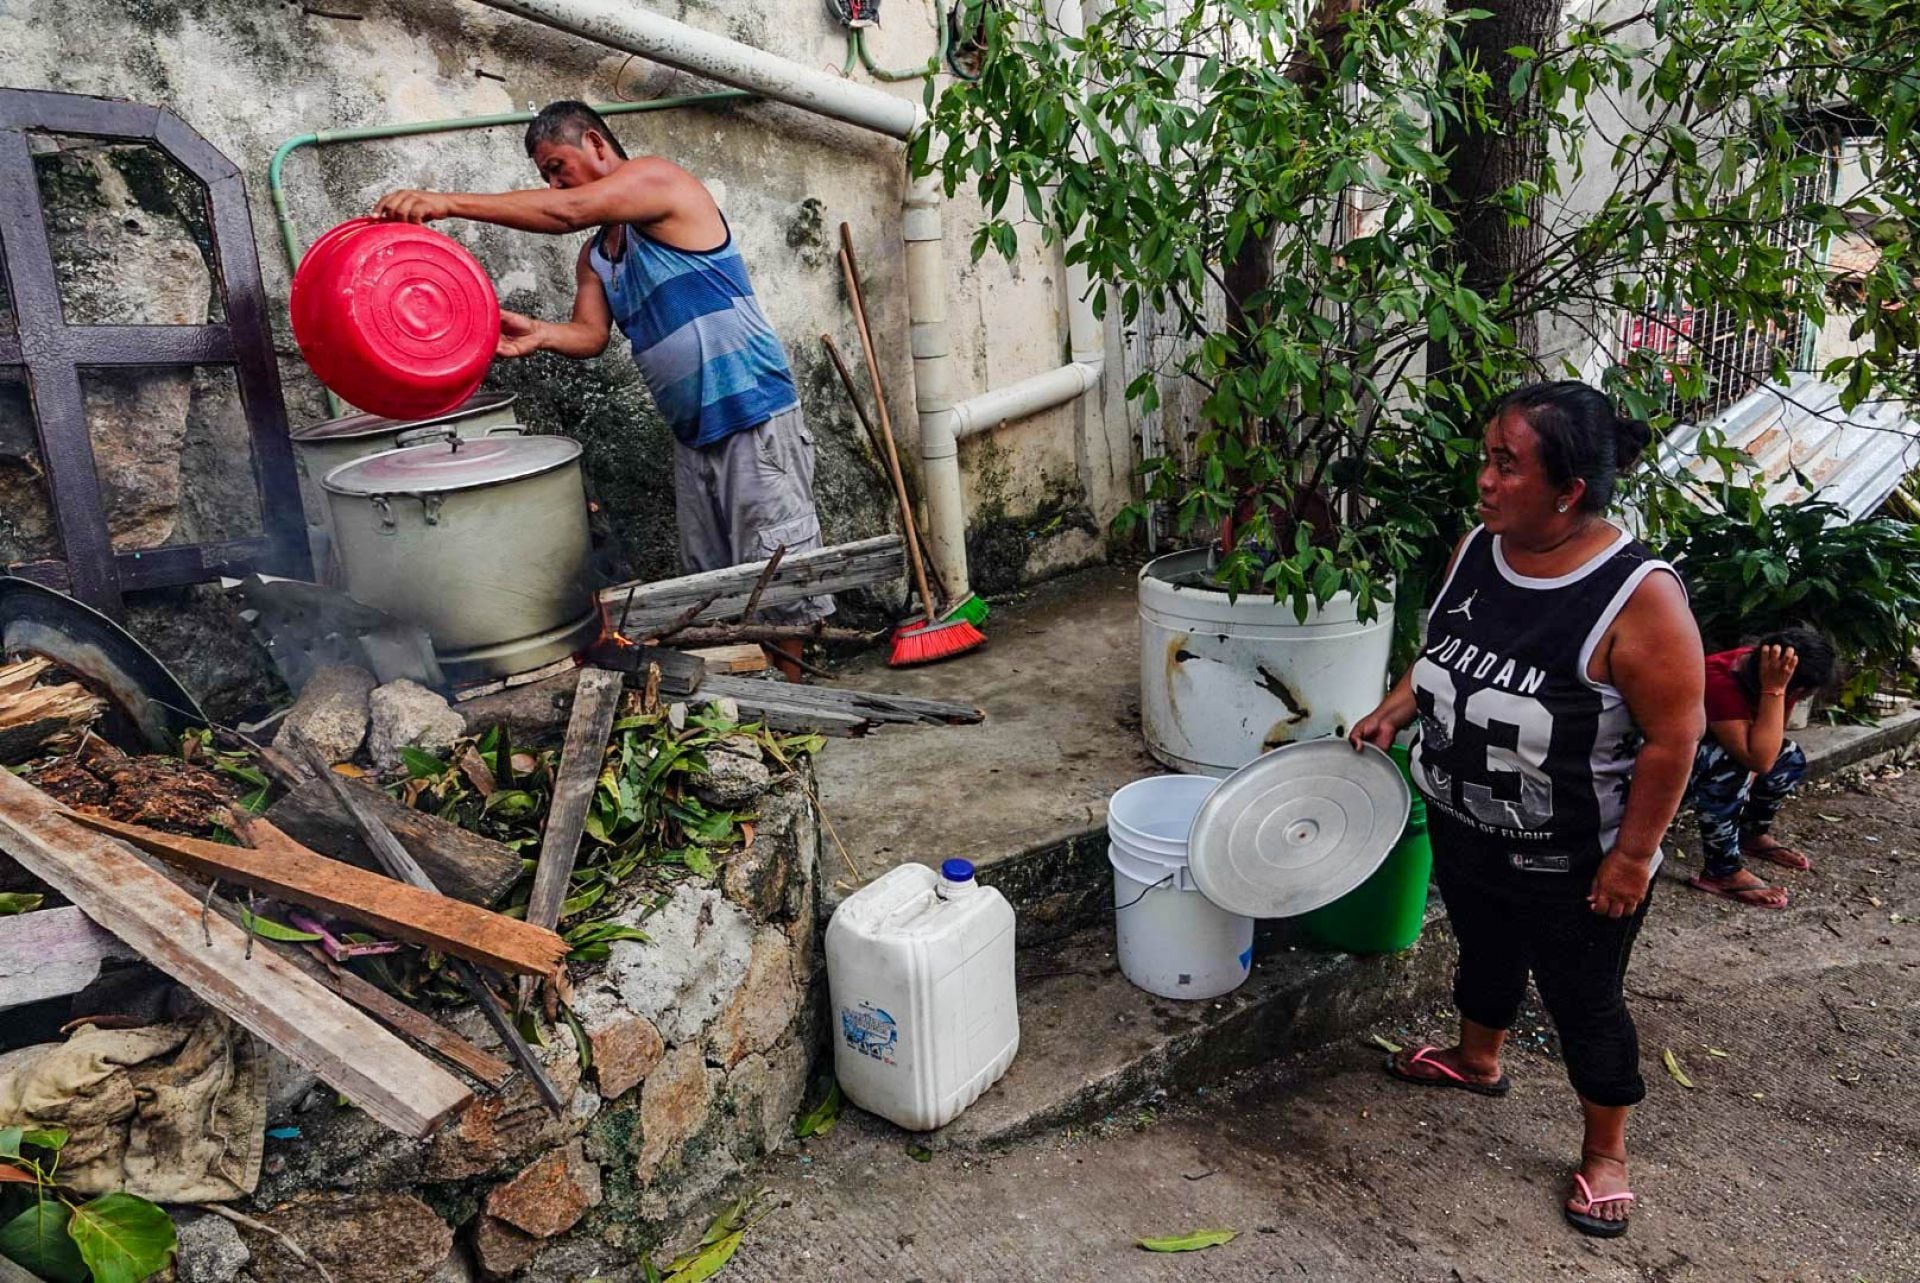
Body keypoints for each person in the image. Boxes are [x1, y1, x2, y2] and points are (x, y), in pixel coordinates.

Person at [1349, 380, 1705, 1239]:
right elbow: (1443, 649)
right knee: (1484, 949)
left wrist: (1633, 858)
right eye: (1487, 457)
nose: (1485, 478)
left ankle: (1606, 1153)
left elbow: (1674, 738)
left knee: (1584, 997)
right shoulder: (1481, 546)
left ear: (1569, 488)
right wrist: (1400, 706)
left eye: (1506, 464)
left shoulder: (1636, 595)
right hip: (1467, 823)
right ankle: (1478, 1060)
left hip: (1577, 859)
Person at [372, 100, 830, 682]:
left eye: (558, 166)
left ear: (595, 142)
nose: (555, 183)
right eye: (545, 176)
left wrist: (446, 202)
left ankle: (797, 703)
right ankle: (760, 711)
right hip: (693, 434)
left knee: (776, 572)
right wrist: (539, 334)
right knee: (717, 583)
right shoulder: (598, 256)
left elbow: (568, 210)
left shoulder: (660, 182)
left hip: (754, 414)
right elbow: (589, 335)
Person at [1685, 628, 1834, 908]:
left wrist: (1777, 692)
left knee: (1788, 757)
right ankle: (1722, 871)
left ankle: (1750, 834)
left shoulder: (1775, 670)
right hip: (1664, 764)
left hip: (1716, 753)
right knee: (1729, 766)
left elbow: (1772, 742)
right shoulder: (1719, 680)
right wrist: (1775, 690)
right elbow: (1758, 759)